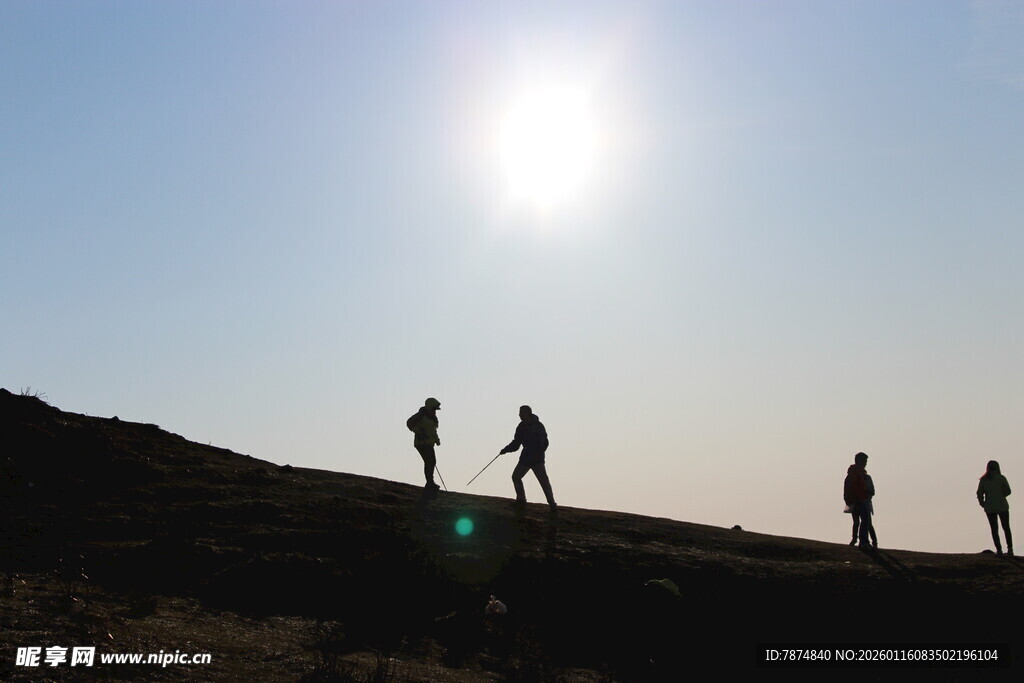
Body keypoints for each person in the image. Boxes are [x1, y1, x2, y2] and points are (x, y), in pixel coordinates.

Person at [499, 405, 556, 512]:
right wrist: (506, 449)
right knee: (516, 477)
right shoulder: (521, 427)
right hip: (526, 458)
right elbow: (516, 443)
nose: (519, 415)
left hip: (536, 459)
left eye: (521, 412)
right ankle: (521, 500)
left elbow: (544, 442)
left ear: (527, 413)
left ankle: (552, 503)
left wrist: (538, 452)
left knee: (543, 481)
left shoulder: (538, 426)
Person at [977, 460, 1013, 556]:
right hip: (1002, 506)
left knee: (994, 529)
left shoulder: (984, 480)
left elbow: (979, 493)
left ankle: (999, 550)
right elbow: (1008, 491)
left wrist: (983, 503)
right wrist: (1001, 495)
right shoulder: (1001, 478)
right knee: (1006, 528)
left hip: (990, 508)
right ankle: (1010, 549)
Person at [843, 452, 875, 549]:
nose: (865, 463)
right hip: (861, 501)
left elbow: (846, 489)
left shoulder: (852, 475)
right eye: (864, 461)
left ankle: (857, 540)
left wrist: (848, 501)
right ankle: (864, 542)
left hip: (856, 501)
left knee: (859, 522)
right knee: (865, 522)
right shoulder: (861, 476)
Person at [409, 398, 441, 490]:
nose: (435, 411)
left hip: (429, 443)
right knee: (430, 461)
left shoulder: (432, 418)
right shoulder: (420, 416)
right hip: (422, 443)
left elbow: (433, 431)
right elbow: (409, 423)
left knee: (431, 461)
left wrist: (436, 440)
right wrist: (419, 432)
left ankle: (430, 482)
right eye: (434, 409)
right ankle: (430, 482)